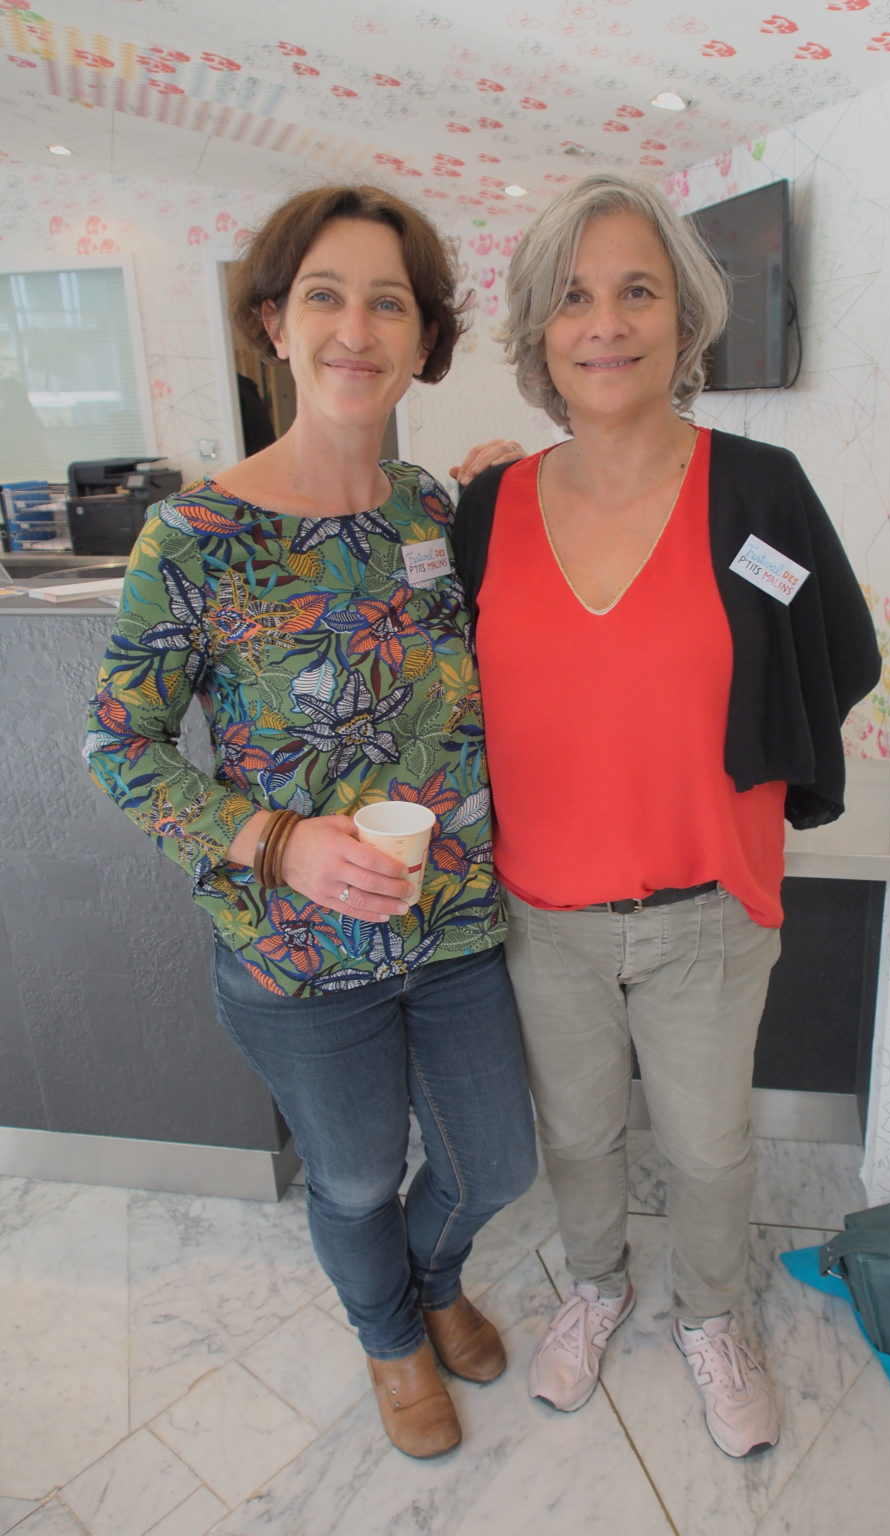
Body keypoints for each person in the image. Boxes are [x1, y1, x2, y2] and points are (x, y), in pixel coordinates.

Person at [84, 185, 537, 1461]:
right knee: (350, 1177)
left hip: (452, 924)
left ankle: (434, 1283)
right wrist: (279, 841)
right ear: (275, 324)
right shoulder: (194, 536)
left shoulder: (432, 511)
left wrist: (514, 494)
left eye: (389, 302)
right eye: (325, 297)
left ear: (423, 337)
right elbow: (119, 748)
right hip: (297, 956)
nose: (356, 328)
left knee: (497, 1163)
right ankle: (392, 1339)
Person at [453, 173, 882, 1458]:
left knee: (707, 1148)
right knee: (578, 1136)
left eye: (637, 290)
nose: (606, 322)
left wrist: (751, 768)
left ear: (684, 319)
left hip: (709, 905)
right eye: (573, 297)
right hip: (543, 913)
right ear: (537, 331)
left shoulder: (759, 489)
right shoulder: (488, 508)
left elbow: (835, 649)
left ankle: (712, 1314)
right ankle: (595, 1287)